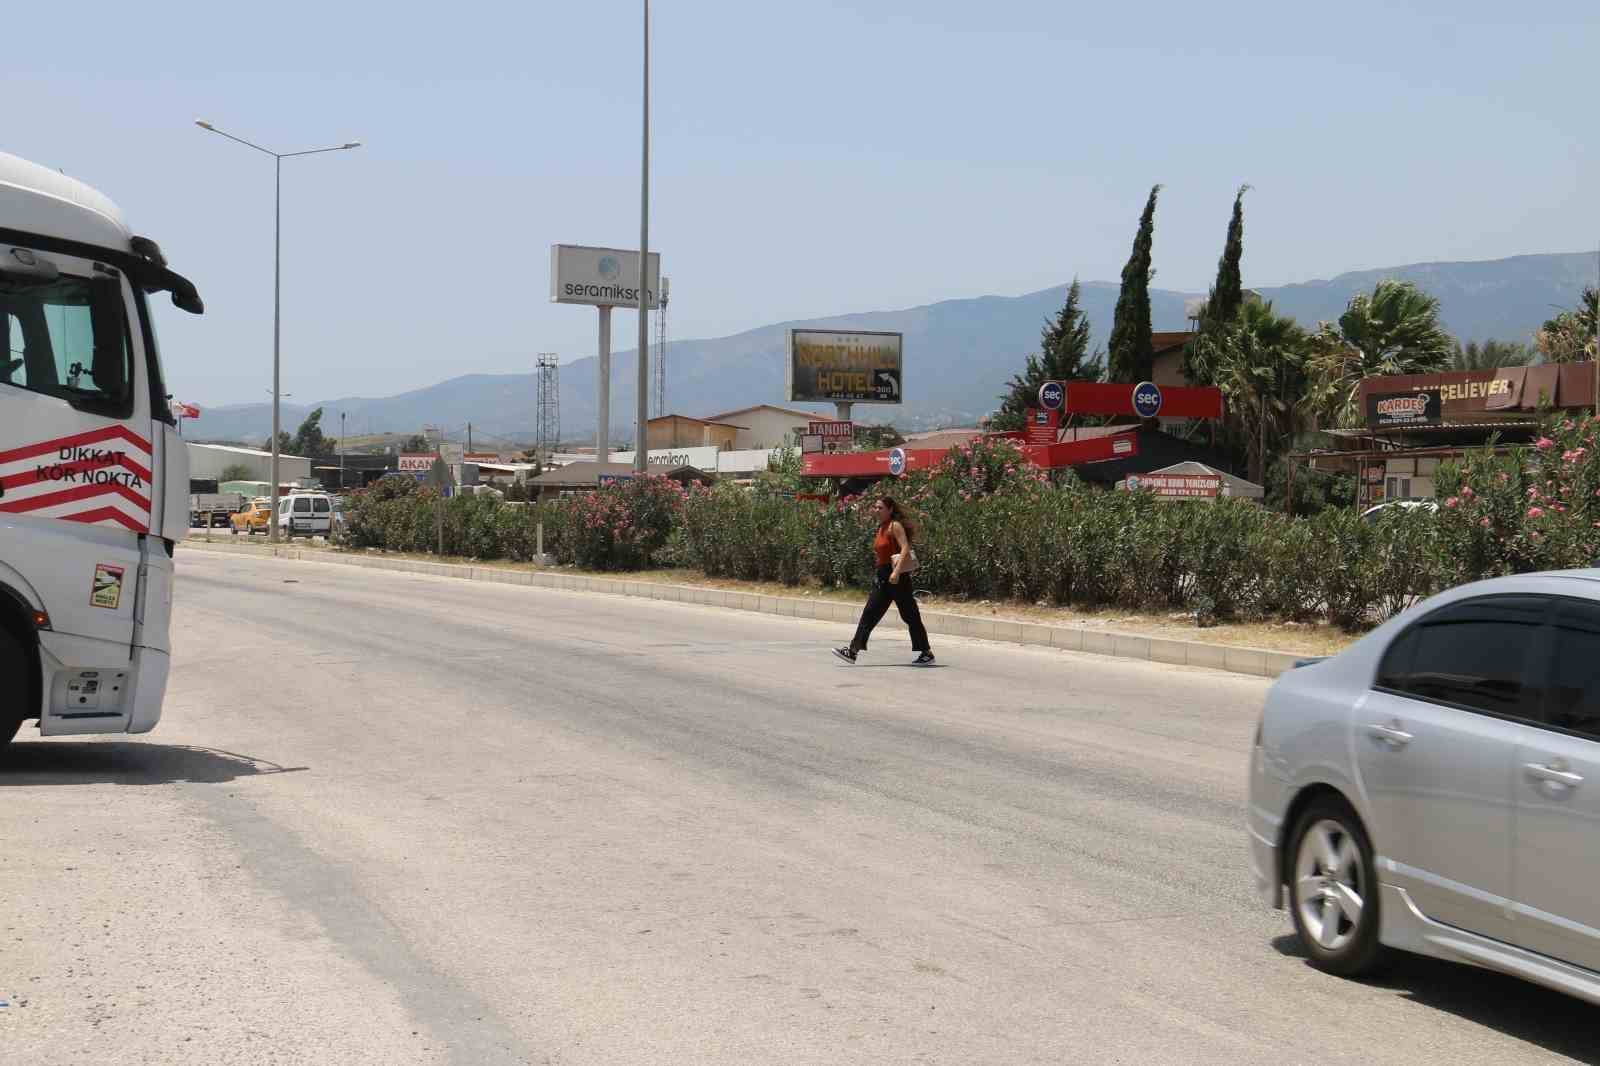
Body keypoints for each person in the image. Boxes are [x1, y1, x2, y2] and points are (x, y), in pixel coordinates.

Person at [833, 496, 934, 666]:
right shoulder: (880, 527)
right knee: (869, 613)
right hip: (882, 577)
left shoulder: (894, 526)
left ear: (890, 510)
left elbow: (905, 548)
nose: (877, 510)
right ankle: (852, 651)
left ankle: (926, 653)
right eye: (875, 507)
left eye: (880, 508)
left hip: (897, 576)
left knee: (910, 615)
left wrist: (896, 572)